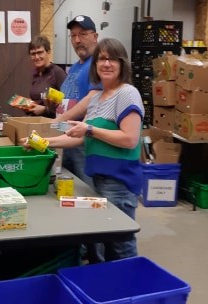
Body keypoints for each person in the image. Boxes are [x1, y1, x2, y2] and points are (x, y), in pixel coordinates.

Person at [31, 38, 145, 261]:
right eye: (102, 58)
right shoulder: (97, 98)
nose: (106, 63)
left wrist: (90, 129)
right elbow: (77, 139)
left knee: (120, 246)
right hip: (97, 180)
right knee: (98, 241)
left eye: (113, 59)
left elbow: (129, 139)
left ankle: (129, 291)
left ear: (123, 64)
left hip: (119, 183)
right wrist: (39, 142)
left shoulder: (127, 93)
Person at [55, 15, 101, 186]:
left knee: (85, 190)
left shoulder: (98, 64)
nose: (77, 40)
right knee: (66, 187)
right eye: (73, 36)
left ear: (95, 37)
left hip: (82, 141)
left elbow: (92, 98)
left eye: (82, 34)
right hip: (65, 136)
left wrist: (59, 119)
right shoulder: (75, 66)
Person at [26, 35, 66, 118]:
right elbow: (38, 100)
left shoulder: (58, 73)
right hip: (36, 123)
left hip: (52, 125)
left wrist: (45, 110)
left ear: (48, 52)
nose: (36, 57)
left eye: (40, 52)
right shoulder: (35, 73)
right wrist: (28, 106)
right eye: (33, 54)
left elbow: (67, 106)